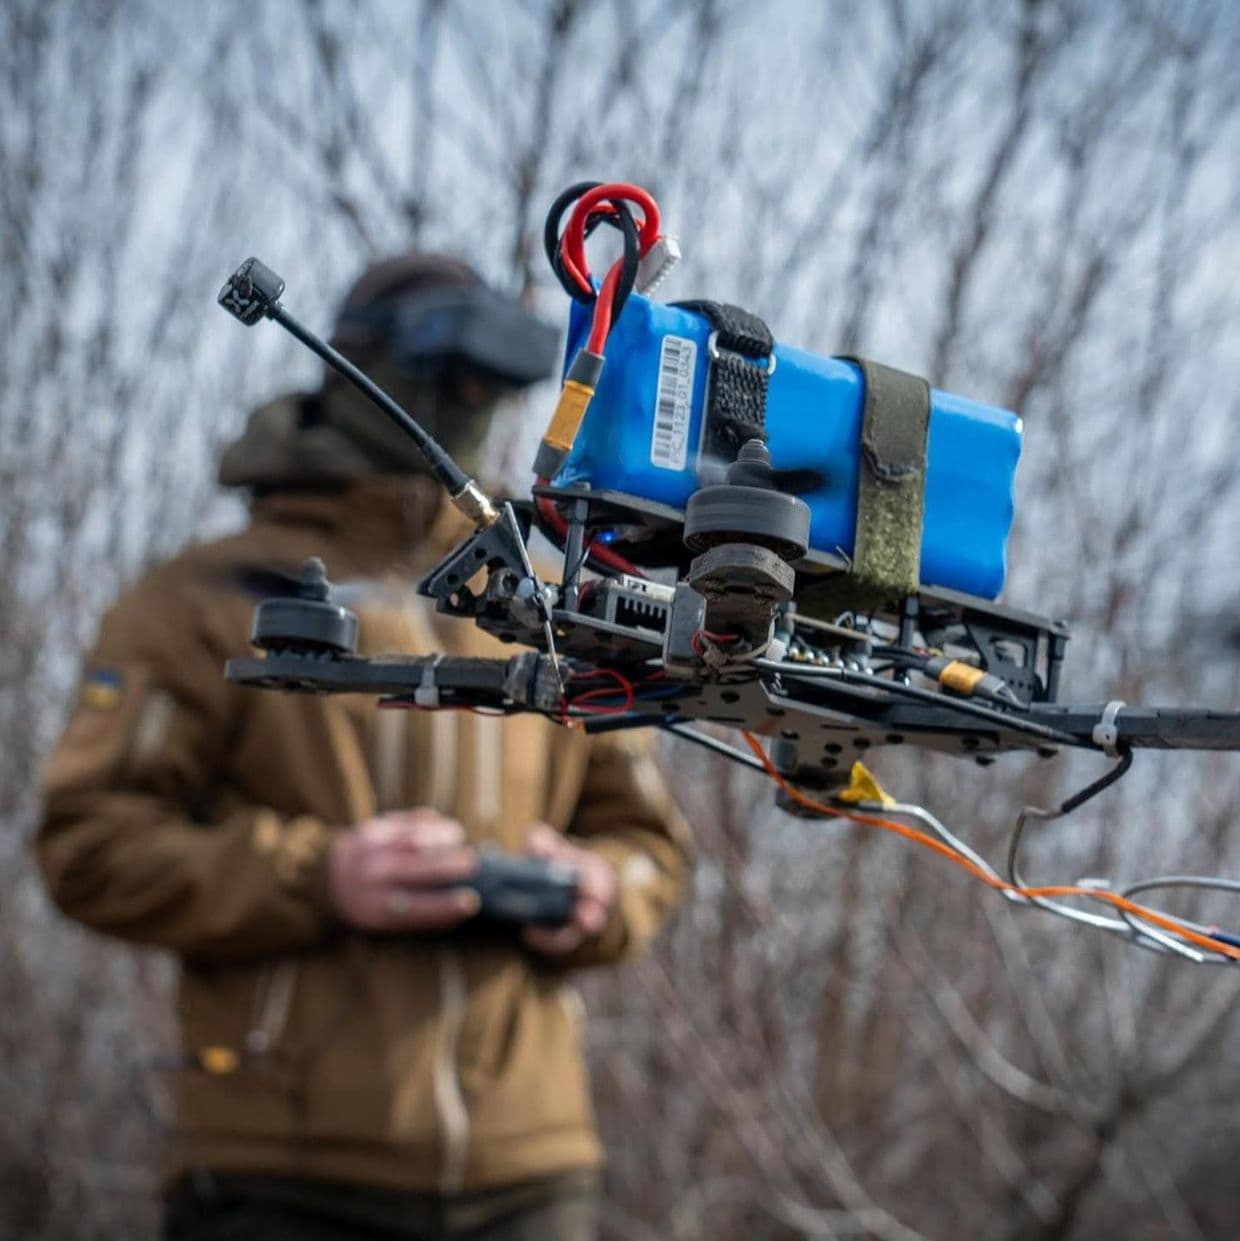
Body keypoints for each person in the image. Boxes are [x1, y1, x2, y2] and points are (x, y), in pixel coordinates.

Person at [36, 253, 692, 1241]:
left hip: (533, 1168)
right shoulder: (204, 598)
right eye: (451, 381)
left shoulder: (548, 602)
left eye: (487, 388)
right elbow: (88, 843)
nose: (469, 406)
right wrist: (316, 876)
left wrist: (599, 891)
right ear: (361, 371)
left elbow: (648, 844)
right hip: (284, 1172)